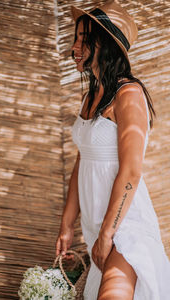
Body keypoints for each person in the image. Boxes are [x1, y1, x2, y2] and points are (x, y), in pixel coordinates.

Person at [55, 1, 170, 299]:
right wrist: (67, 226)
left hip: (126, 225)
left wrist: (108, 234)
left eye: (83, 37)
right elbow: (82, 162)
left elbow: (131, 170)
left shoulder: (128, 95)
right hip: (96, 227)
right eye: (76, 37)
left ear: (104, 43)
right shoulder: (89, 97)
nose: (75, 45)